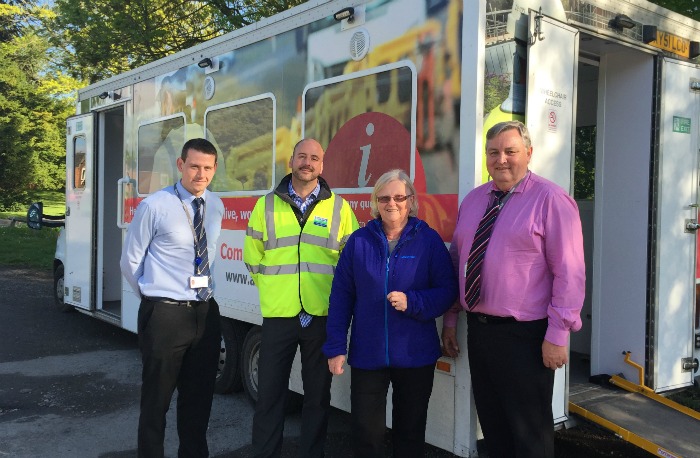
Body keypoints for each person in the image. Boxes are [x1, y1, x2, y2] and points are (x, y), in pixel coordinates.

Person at [442, 120, 585, 458]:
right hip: (480, 333)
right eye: (494, 152)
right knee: (494, 429)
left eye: (510, 151)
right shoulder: (475, 200)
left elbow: (570, 272)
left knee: (529, 435)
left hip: (528, 338)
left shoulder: (551, 200)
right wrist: (451, 320)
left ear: (528, 154)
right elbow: (457, 262)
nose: (501, 159)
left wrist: (558, 334)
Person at [323, 169, 458, 458]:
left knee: (410, 435)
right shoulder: (359, 242)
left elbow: (448, 291)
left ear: (411, 201)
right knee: (366, 434)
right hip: (368, 355)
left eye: (399, 197)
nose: (391, 203)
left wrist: (414, 301)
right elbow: (340, 299)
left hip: (415, 355)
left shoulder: (428, 240)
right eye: (384, 197)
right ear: (375, 202)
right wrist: (335, 347)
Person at [243, 138, 359, 458]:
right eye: (302, 156)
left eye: (315, 158)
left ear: (322, 166)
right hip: (279, 316)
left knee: (317, 399)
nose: (307, 163)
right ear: (291, 161)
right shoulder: (266, 205)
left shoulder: (340, 208)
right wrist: (273, 291)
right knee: (269, 397)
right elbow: (252, 258)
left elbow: (350, 264)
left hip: (321, 317)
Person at [120, 138, 225, 458]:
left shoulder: (216, 205)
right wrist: (155, 298)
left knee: (198, 403)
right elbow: (129, 262)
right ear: (181, 165)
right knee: (157, 402)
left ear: (215, 170)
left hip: (205, 312)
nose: (201, 174)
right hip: (165, 315)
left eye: (208, 168)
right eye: (194, 166)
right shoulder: (155, 205)